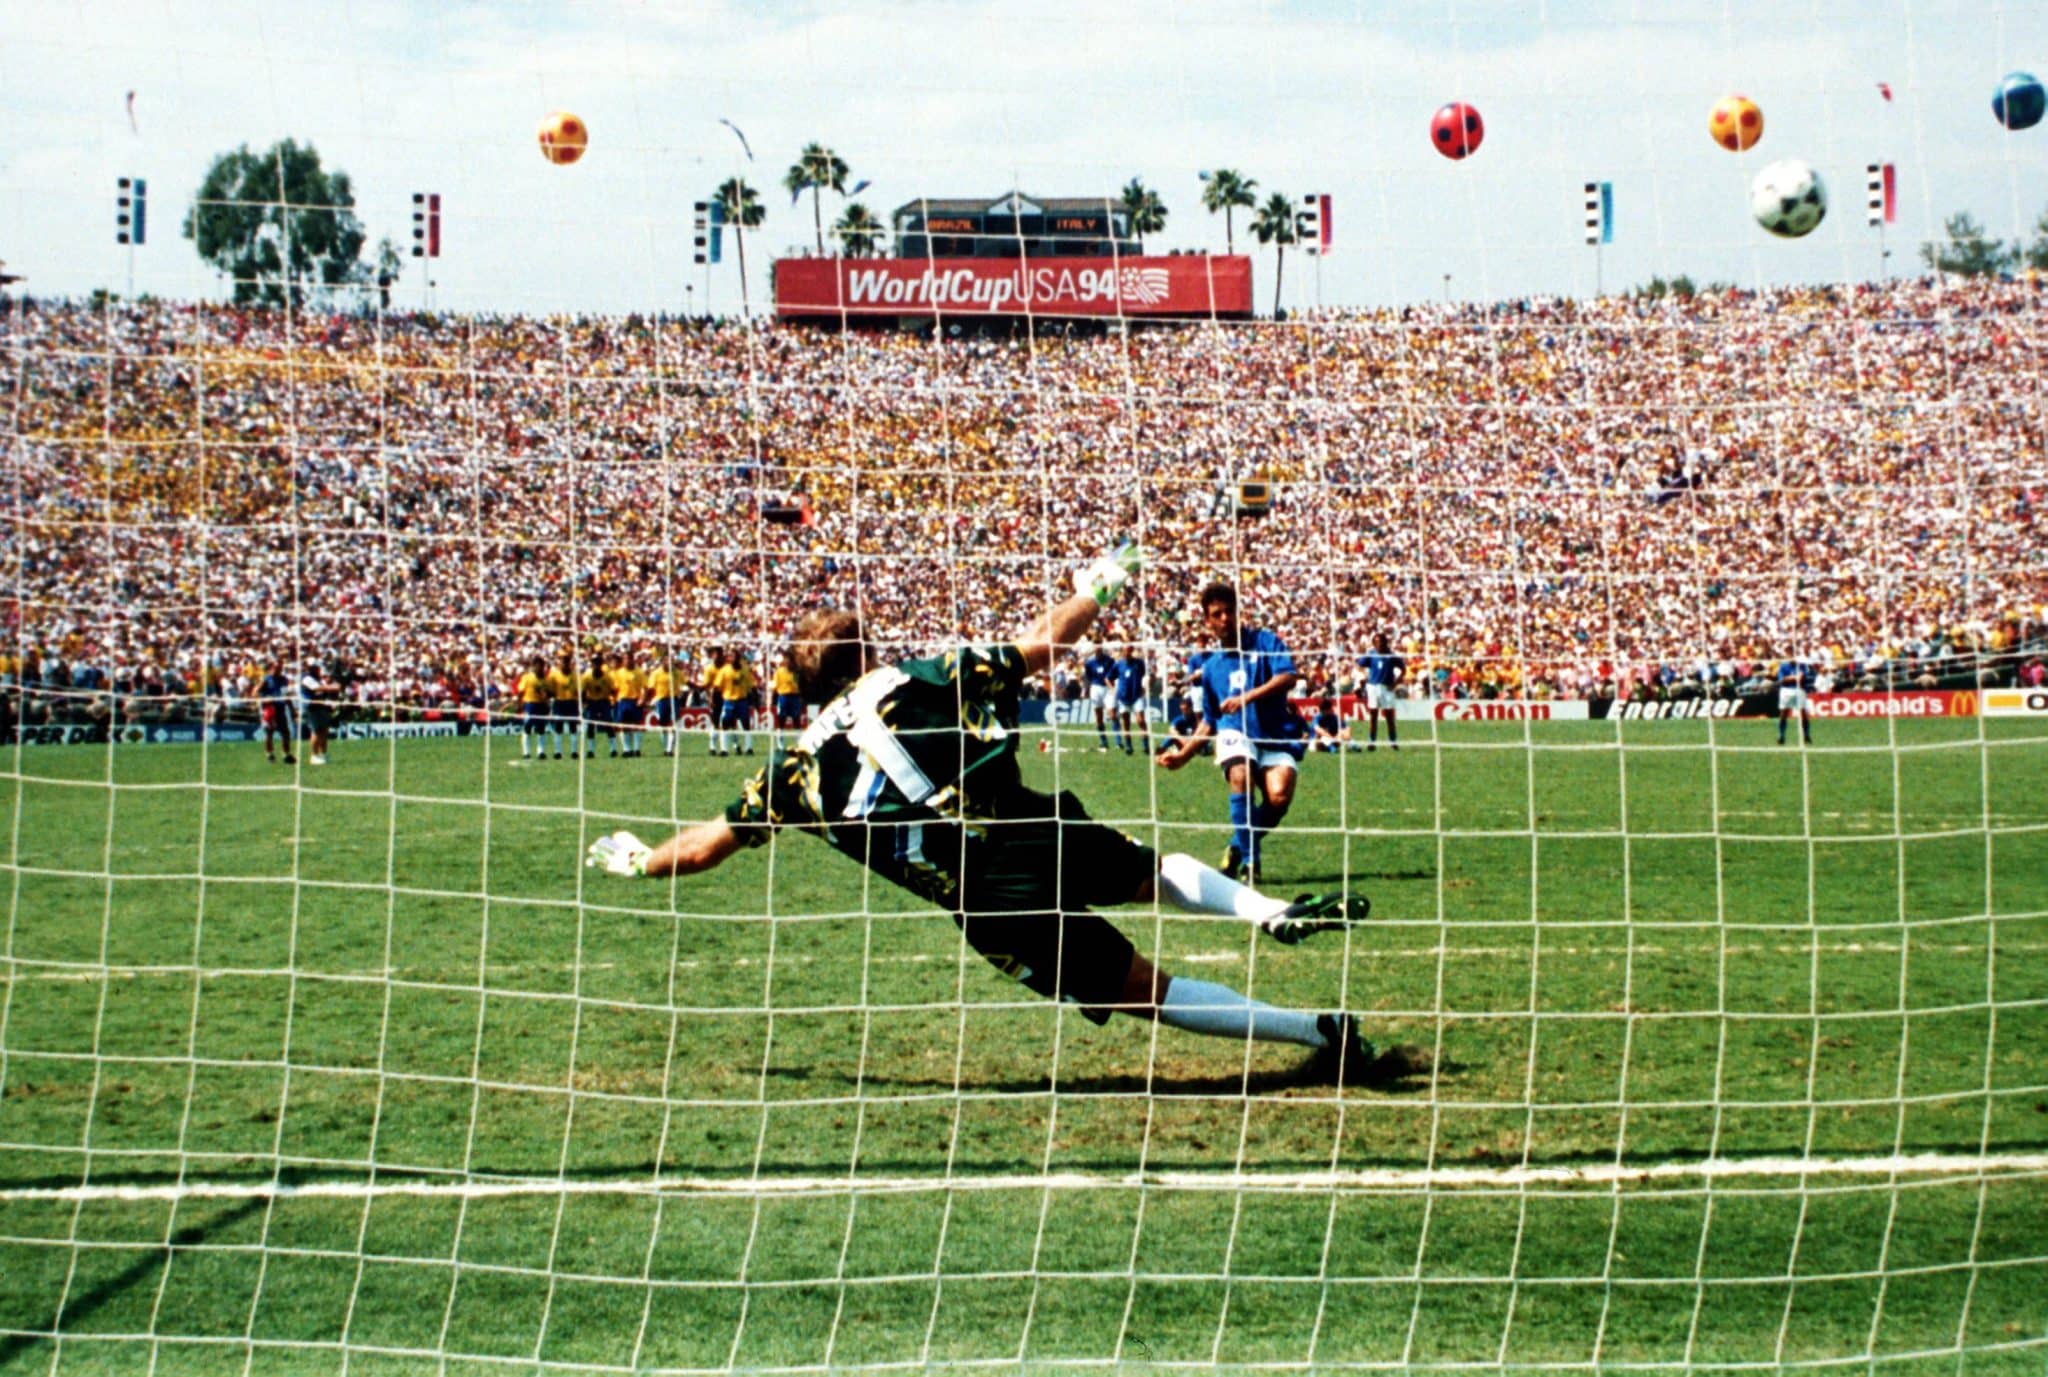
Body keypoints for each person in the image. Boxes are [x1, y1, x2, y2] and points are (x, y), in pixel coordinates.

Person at [586, 543, 1424, 1086]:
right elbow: (1041, 643)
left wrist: (643, 858)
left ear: (802, 691)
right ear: (866, 654)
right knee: (1150, 872)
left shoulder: (795, 772)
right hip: (1026, 822)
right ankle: (1264, 908)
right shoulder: (914, 676)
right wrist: (1094, 590)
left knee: (1143, 989)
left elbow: (705, 847)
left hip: (984, 897)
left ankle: (1316, 1031)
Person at [1155, 582, 1304, 884]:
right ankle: (1251, 863)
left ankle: (1238, 846)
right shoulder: (1211, 668)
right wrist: (1183, 755)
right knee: (1240, 774)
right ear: (1207, 621)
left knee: (1278, 798)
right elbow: (1210, 721)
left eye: (1229, 611)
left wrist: (1248, 697)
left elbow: (1288, 676)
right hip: (1235, 732)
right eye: (1217, 614)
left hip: (1274, 733)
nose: (1225, 618)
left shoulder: (1265, 641)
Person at [1357, 631, 1405, 751]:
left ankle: (1393, 742)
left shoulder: (1391, 655)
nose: (1379, 644)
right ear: (1374, 643)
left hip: (1387, 687)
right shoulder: (1371, 654)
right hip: (1373, 687)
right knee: (1373, 715)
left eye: (1381, 642)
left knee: (1389, 716)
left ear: (1385, 642)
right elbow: (1359, 665)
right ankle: (1371, 742)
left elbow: (1403, 669)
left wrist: (1395, 683)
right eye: (1377, 642)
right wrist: (1365, 675)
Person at [714, 649, 757, 756]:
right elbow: (717, 686)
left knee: (746, 723)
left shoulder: (745, 669)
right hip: (729, 700)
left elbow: (751, 685)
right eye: (729, 656)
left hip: (742, 700)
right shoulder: (724, 670)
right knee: (725, 723)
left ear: (738, 657)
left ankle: (749, 747)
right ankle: (724, 749)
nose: (731, 658)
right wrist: (717, 699)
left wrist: (754, 699)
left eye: (733, 656)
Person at [1112, 644, 1149, 756]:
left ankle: (1145, 745)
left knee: (1140, 720)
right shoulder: (1118, 664)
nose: (1126, 653)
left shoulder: (1139, 663)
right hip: (1123, 697)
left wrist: (1145, 687)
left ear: (1131, 651)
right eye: (1124, 651)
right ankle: (1128, 746)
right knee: (1126, 722)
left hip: (1136, 695)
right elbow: (1108, 678)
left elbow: (1147, 675)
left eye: (1129, 651)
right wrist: (1113, 689)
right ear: (1122, 652)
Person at [1081, 643, 1118, 752]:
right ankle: (1104, 741)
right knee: (1098, 716)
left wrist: (1112, 685)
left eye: (1099, 648)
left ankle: (1118, 742)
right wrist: (1086, 689)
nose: (1098, 650)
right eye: (1096, 648)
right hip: (1096, 688)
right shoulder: (1089, 662)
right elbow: (1088, 677)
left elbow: (1115, 673)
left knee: (1112, 714)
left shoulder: (1109, 660)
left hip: (1107, 688)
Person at [610, 649, 646, 758]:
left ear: (633, 659)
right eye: (625, 659)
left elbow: (644, 688)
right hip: (623, 700)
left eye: (629, 658)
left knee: (636, 725)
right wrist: (613, 697)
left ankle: (637, 749)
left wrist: (642, 699)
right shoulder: (619, 673)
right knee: (623, 725)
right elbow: (615, 688)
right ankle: (627, 749)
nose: (627, 661)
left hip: (635, 700)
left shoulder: (639, 672)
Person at [579, 648, 615, 758]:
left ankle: (613, 749)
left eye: (598, 663)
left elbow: (612, 690)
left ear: (601, 664)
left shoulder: (607, 676)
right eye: (594, 663)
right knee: (590, 725)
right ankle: (590, 750)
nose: (596, 665)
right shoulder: (587, 676)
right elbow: (583, 691)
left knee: (608, 724)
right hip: (592, 701)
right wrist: (584, 703)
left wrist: (612, 700)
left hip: (604, 701)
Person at [259, 659, 296, 764]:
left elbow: (286, 694)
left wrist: (292, 709)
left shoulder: (284, 679)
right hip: (270, 708)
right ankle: (269, 754)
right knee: (269, 733)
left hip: (280, 708)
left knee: (285, 732)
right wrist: (265, 698)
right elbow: (256, 692)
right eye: (276, 667)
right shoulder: (266, 679)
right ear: (271, 667)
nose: (278, 669)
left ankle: (286, 754)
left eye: (280, 668)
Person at [1776, 652, 1817, 746]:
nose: (1791, 657)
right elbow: (1782, 680)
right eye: (1789, 654)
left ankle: (1806, 735)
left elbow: (1802, 677)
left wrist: (1790, 678)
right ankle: (1781, 736)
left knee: (1803, 713)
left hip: (1799, 690)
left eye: (1793, 654)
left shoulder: (1802, 665)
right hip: (1786, 690)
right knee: (1783, 713)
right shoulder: (1783, 666)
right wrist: (1794, 677)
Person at [515, 655, 549, 761]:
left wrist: (546, 703)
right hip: (530, 705)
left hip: (541, 705)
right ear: (534, 666)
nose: (541, 668)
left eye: (542, 666)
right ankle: (526, 752)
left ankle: (541, 751)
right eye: (539, 666)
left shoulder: (544, 679)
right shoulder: (527, 677)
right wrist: (518, 704)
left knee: (541, 728)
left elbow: (545, 694)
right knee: (527, 727)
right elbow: (520, 692)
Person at [547, 651, 579, 759]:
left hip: (571, 702)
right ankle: (558, 751)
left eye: (566, 661)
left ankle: (574, 751)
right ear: (559, 662)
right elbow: (550, 690)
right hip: (559, 702)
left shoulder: (575, 675)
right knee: (558, 727)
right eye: (562, 661)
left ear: (570, 663)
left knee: (573, 727)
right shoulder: (554, 675)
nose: (564, 663)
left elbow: (578, 690)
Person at [771, 650, 805, 744]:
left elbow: (799, 684)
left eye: (789, 659)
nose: (788, 661)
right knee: (781, 719)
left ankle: (798, 741)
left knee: (796, 719)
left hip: (795, 697)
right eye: (786, 659)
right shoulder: (779, 671)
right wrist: (772, 696)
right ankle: (780, 742)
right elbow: (775, 685)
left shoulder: (796, 672)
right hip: (783, 696)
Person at [647, 651, 678, 757]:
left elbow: (685, 682)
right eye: (667, 660)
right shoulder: (656, 673)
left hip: (673, 699)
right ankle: (665, 748)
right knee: (663, 725)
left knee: (673, 723)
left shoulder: (676, 673)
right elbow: (651, 687)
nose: (669, 662)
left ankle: (670, 749)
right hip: (661, 700)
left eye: (671, 660)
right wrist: (648, 700)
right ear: (662, 661)